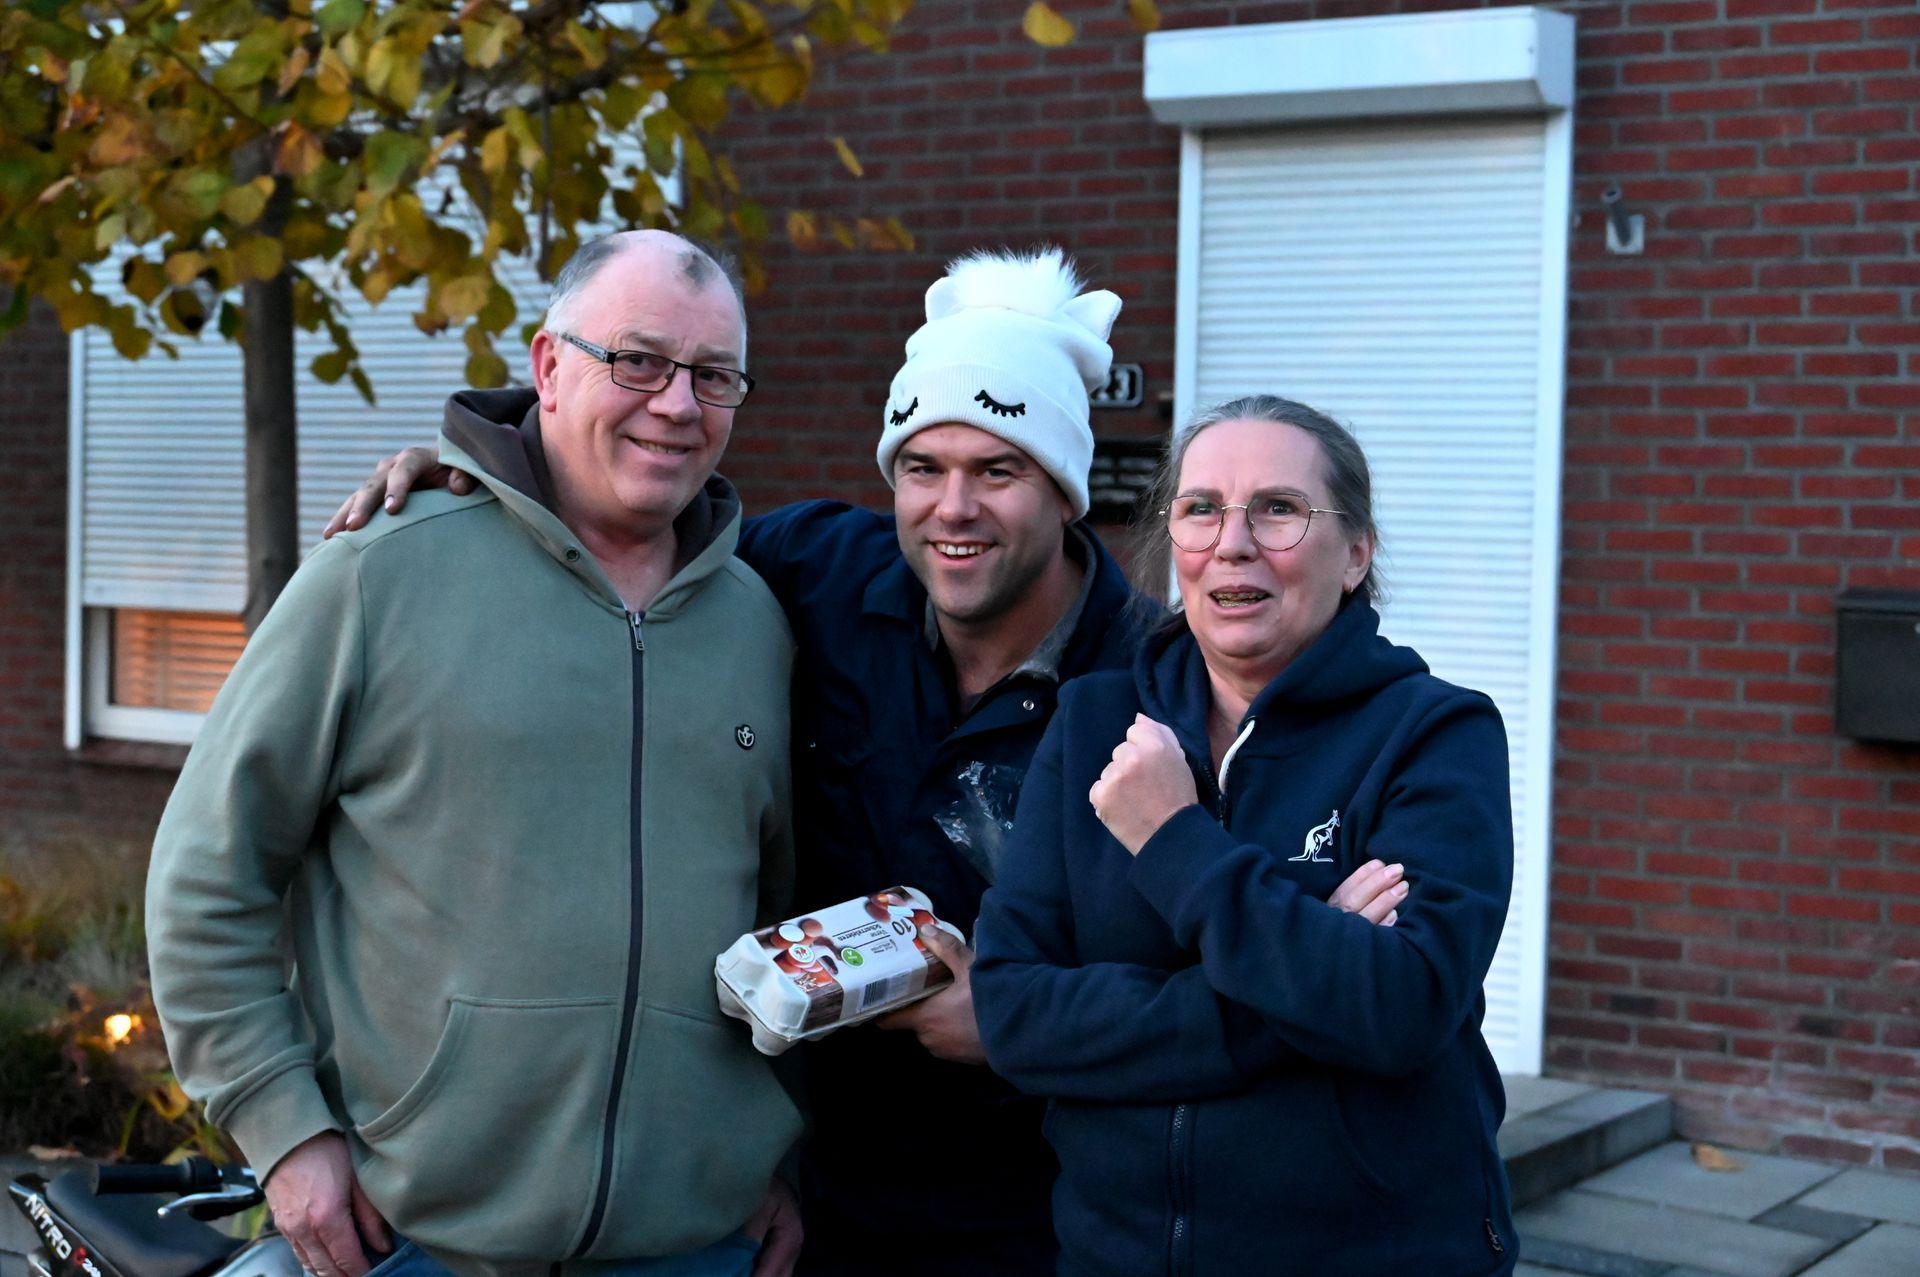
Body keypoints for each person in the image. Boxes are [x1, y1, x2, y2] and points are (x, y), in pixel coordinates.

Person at [325, 254, 1403, 1275]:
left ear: (1065, 490)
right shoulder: (816, 573)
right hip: (807, 1196)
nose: (953, 508)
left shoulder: (1156, 689)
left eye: (999, 470)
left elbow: (1221, 996)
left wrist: (1018, 1025)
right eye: (922, 468)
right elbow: (629, 527)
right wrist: (490, 484)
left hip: (1040, 1211)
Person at [147, 230, 804, 1277]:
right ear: (548, 366)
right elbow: (207, 874)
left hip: (696, 1245)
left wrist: (764, 1148)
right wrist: (285, 1130)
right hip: (411, 1239)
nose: (678, 404)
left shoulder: (759, 624)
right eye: (638, 360)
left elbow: (779, 922)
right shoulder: (380, 574)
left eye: (713, 375)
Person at [970, 395, 1518, 1276]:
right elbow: (1013, 1012)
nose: (1233, 542)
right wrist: (1293, 988)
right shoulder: (1095, 725)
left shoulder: (1434, 733)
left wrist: (1173, 837)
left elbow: (1402, 1006)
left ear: (1356, 553)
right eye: (1201, 508)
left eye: (1278, 509)